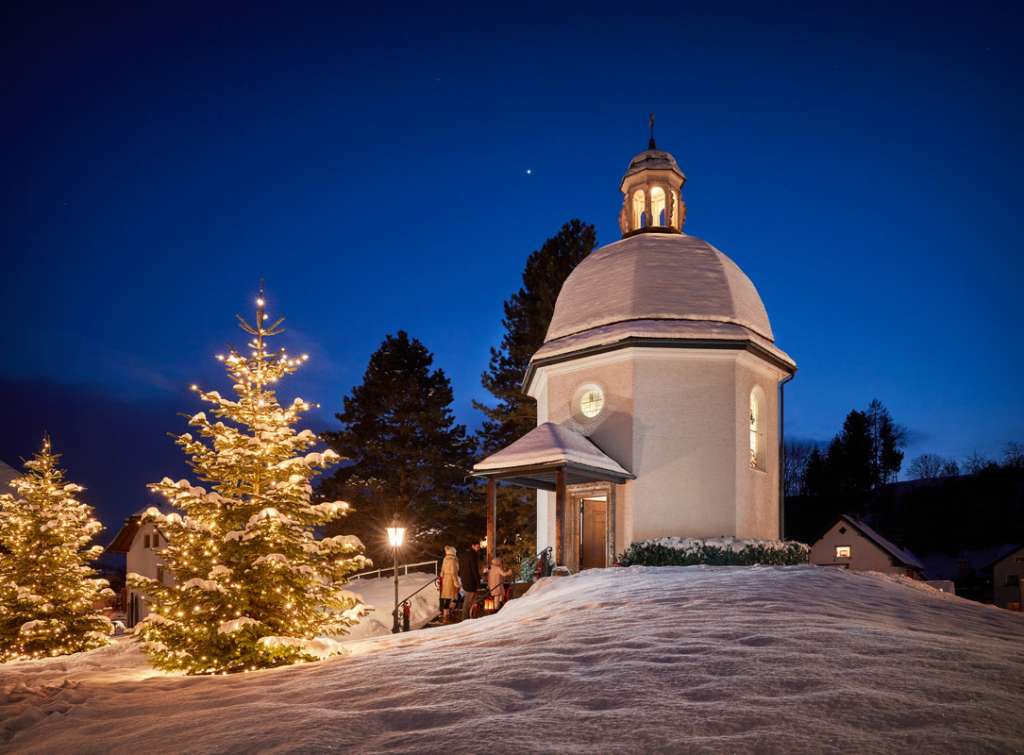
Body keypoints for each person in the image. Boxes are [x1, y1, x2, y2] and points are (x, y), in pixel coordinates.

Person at [457, 540, 482, 620]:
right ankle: (465, 618)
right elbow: (474, 569)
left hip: (464, 579)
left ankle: (467, 617)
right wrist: (478, 580)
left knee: (468, 599)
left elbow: (460, 568)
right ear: (473, 546)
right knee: (468, 600)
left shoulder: (463, 555)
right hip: (471, 580)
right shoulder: (473, 555)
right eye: (477, 547)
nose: (478, 548)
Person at [439, 545, 460, 622]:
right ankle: (449, 613)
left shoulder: (445, 559)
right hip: (451, 580)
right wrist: (456, 582)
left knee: (447, 598)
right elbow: (453, 572)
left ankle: (446, 616)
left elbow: (442, 570)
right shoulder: (453, 560)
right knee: (455, 597)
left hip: (445, 580)